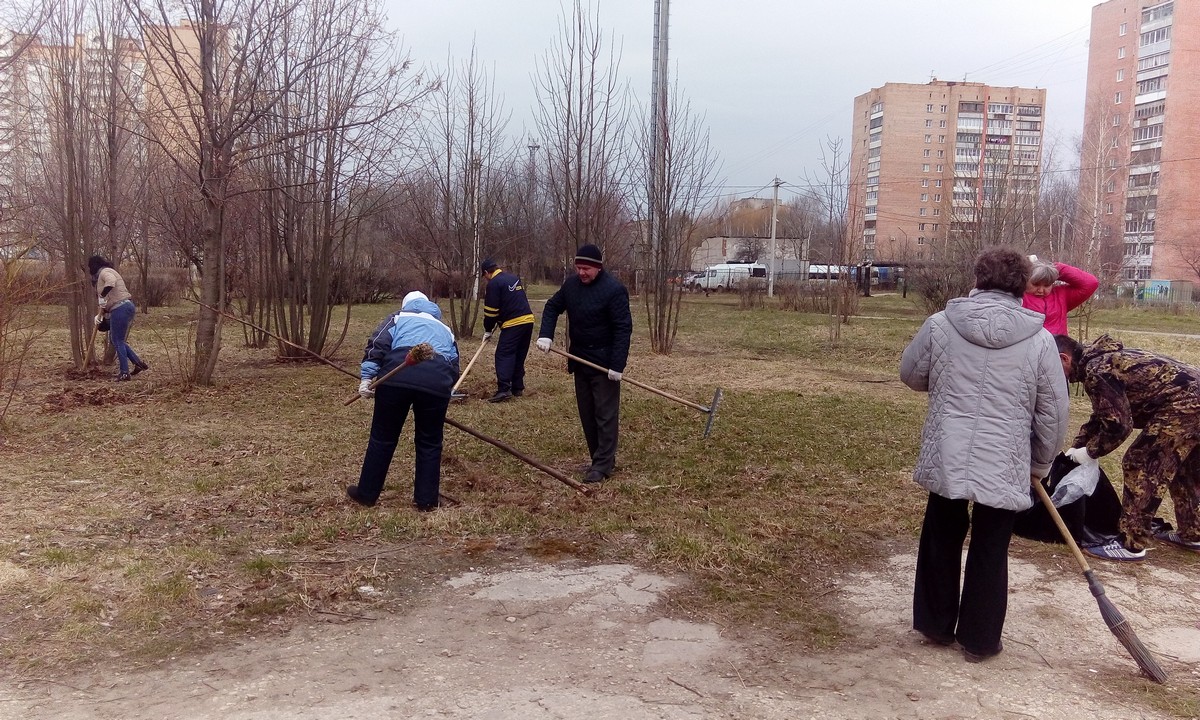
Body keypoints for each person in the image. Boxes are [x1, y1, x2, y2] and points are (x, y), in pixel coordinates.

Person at [900, 247, 1069, 663]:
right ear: (1021, 288)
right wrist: (1041, 463)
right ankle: (979, 639)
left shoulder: (941, 324)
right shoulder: (1041, 340)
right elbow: (1053, 411)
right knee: (991, 546)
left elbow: (911, 374)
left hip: (948, 449)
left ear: (977, 279)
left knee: (942, 533)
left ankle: (936, 625)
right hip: (1006, 458)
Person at [1054, 333, 1200, 560]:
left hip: (1187, 405)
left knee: (1141, 462)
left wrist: (1090, 452)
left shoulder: (1098, 371)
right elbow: (1104, 414)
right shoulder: (1104, 361)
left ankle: (1132, 543)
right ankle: (1193, 532)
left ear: (1064, 359)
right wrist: (1078, 446)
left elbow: (1118, 426)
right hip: (1193, 399)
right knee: (1183, 466)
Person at [347, 291, 460, 511]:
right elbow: (454, 364)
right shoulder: (445, 329)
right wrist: (446, 388)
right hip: (436, 383)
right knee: (430, 442)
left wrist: (367, 377)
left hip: (395, 381)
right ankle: (427, 500)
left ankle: (366, 494)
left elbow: (377, 345)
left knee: (383, 438)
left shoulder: (398, 318)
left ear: (406, 305)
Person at [536, 244, 633, 484]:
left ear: (598, 268)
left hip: (604, 364)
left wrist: (617, 365)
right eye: (579, 268)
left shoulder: (614, 290)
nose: (582, 273)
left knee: (605, 415)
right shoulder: (571, 286)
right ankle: (598, 459)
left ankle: (602, 465)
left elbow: (623, 328)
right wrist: (546, 334)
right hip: (579, 360)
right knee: (587, 414)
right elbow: (552, 307)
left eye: (587, 268)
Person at [480, 258, 535, 403]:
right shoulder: (513, 278)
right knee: (518, 354)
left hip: (513, 323)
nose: (485, 279)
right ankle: (517, 387)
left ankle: (504, 389)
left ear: (486, 272)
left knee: (504, 354)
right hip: (528, 320)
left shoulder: (494, 284)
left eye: (484, 276)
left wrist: (488, 329)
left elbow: (491, 312)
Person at [87, 255, 149, 382]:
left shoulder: (105, 272)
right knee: (116, 339)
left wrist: (102, 296)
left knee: (117, 340)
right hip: (124, 307)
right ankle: (137, 363)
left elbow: (111, 283)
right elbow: (109, 299)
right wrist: (99, 316)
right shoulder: (107, 271)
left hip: (120, 308)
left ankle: (125, 373)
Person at [1022, 257, 1098, 335]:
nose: (1041, 290)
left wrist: (1055, 268)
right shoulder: (1018, 297)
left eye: (1047, 285)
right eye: (1035, 284)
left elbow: (1091, 283)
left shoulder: (1061, 296)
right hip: (1027, 346)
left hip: (1058, 346)